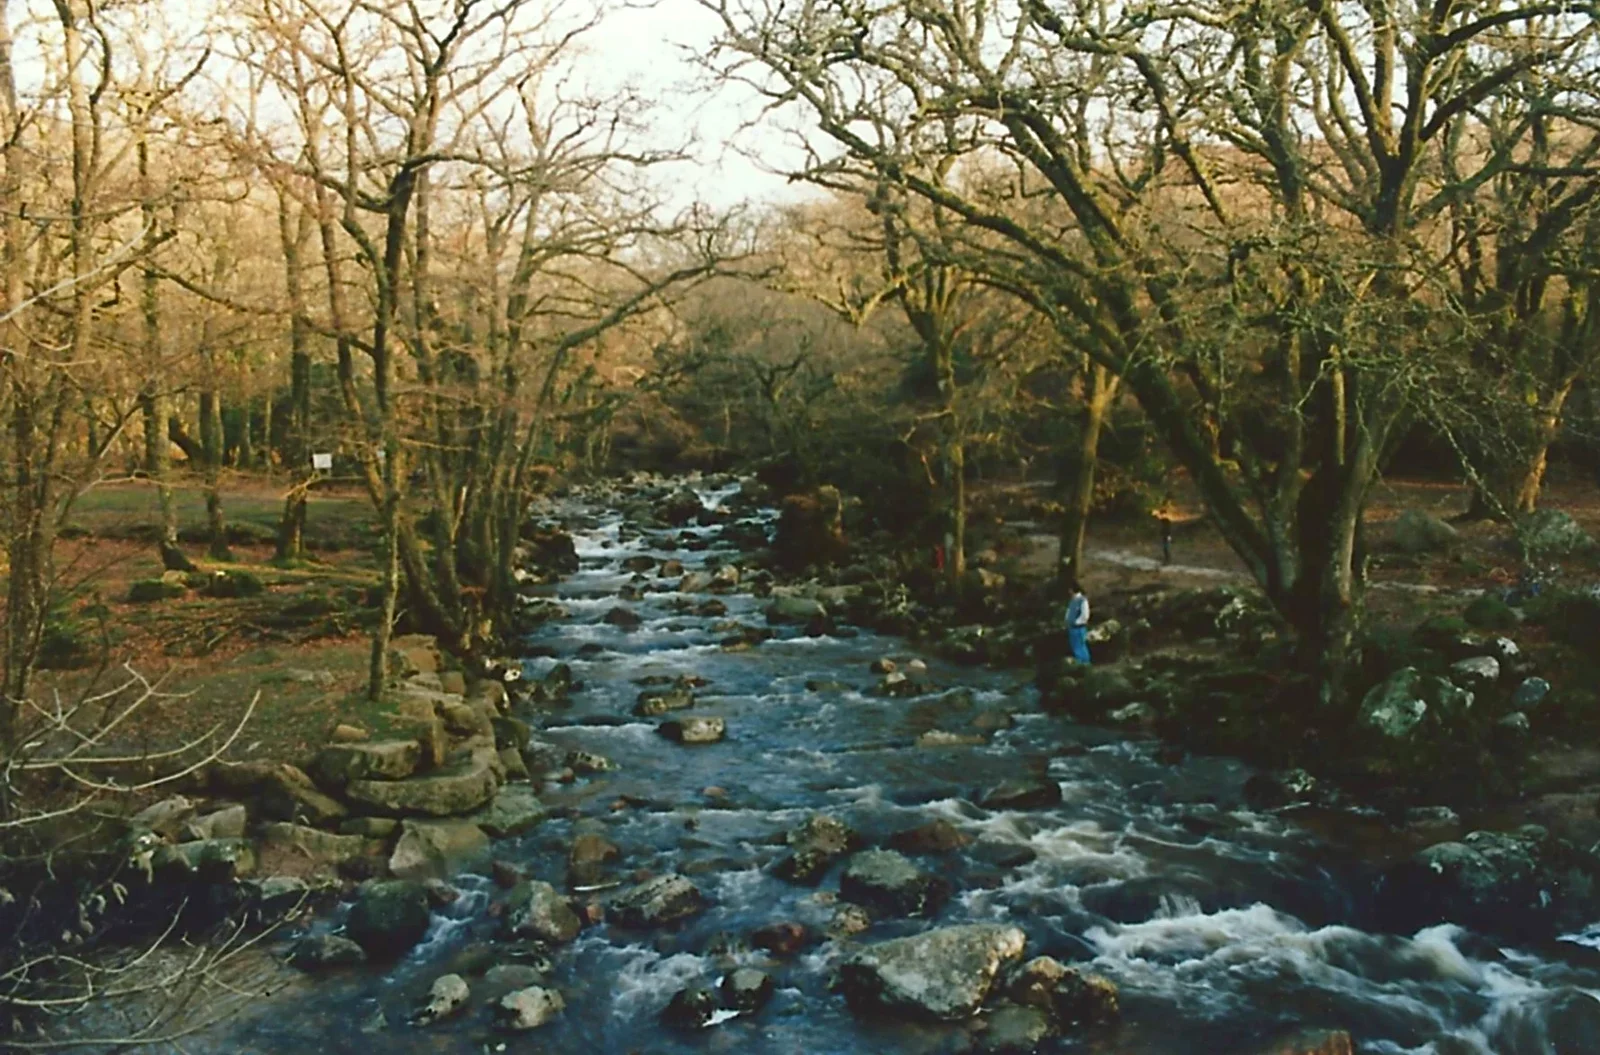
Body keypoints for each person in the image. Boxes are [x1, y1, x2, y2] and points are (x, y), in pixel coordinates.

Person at [1065, 581, 1091, 665]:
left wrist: (1076, 622)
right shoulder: (1072, 601)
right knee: (1075, 647)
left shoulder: (1082, 600)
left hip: (1079, 628)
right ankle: (1079, 664)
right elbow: (1069, 612)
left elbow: (1085, 615)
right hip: (1071, 627)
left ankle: (1085, 664)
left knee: (1080, 646)